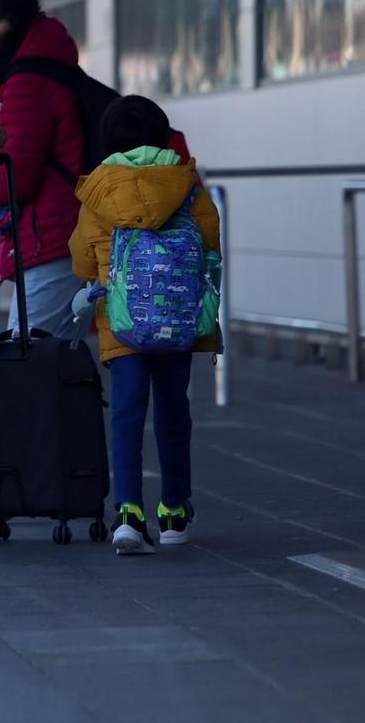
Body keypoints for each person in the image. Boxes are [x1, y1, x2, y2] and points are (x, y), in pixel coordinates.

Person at [68, 95, 220, 556]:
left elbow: (81, 259)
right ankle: (173, 510)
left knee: (127, 411)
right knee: (173, 408)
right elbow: (210, 245)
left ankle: (129, 514)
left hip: (121, 320)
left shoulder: (99, 189)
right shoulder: (186, 184)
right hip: (177, 318)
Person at [0, 0, 86, 337]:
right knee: (57, 358)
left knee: (27, 356)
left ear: (20, 17)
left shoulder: (28, 80)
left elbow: (16, 179)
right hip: (65, 233)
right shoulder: (50, 65)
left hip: (51, 239)